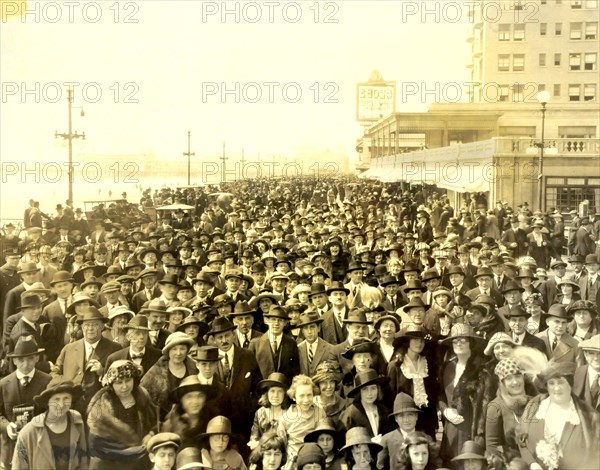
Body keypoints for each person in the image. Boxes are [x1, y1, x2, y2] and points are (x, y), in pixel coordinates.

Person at [517, 361, 600, 470]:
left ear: (570, 385)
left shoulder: (589, 416)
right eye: (551, 383)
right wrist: (532, 462)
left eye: (561, 382)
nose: (556, 388)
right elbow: (521, 437)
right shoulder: (535, 405)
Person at [438, 324, 493, 466]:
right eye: (455, 341)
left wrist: (480, 435)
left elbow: (485, 405)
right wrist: (445, 410)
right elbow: (440, 395)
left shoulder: (481, 369)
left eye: (463, 340)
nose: (458, 344)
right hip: (450, 428)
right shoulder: (447, 366)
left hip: (471, 429)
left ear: (471, 342)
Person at [87, 360, 156, 470]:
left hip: (141, 463)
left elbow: (156, 421)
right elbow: (97, 444)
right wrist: (135, 451)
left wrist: (151, 434)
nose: (124, 386)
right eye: (119, 382)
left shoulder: (142, 397)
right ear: (111, 384)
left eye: (128, 380)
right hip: (110, 464)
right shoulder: (102, 405)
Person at [12, 379, 87, 470]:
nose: (61, 404)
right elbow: (18, 466)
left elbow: (83, 460)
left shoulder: (77, 423)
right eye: (56, 399)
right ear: (48, 402)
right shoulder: (28, 433)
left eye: (66, 398)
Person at [1, 337, 52, 470]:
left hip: (39, 444)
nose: (26, 364)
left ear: (37, 358)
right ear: (14, 360)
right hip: (11, 446)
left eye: (30, 358)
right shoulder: (3, 384)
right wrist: (6, 426)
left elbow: (52, 412)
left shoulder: (47, 381)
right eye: (21, 360)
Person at [387, 326, 439, 439]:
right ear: (407, 342)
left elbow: (433, 392)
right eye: (415, 340)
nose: (419, 343)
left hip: (426, 417)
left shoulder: (428, 363)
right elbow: (390, 396)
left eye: (422, 340)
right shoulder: (395, 366)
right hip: (406, 418)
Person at [140, 331, 198, 419]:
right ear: (168, 351)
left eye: (182, 348)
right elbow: (144, 397)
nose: (178, 353)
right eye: (174, 349)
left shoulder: (195, 368)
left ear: (187, 350)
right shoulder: (156, 372)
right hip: (163, 421)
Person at [485, 359, 531, 463]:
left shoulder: (534, 402)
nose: (515, 382)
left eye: (518, 376)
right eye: (509, 378)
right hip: (511, 463)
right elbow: (492, 445)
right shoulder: (495, 406)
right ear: (502, 383)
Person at [277, 375, 327, 464]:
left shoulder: (319, 413)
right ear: (294, 396)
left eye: (309, 395)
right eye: (301, 396)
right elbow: (282, 446)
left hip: (315, 460)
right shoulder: (285, 419)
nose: (306, 400)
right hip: (294, 461)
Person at [162, 375, 217, 448]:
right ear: (181, 400)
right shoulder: (170, 425)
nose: (195, 401)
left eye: (200, 396)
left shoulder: (214, 423)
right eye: (189, 397)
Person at [340, 369, 392, 439]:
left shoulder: (383, 410)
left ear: (378, 389)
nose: (369, 393)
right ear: (359, 392)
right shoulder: (351, 413)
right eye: (365, 389)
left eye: (373, 388)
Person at [376, 393, 421, 470]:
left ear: (416, 416)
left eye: (410, 415)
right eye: (401, 416)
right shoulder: (386, 440)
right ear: (396, 418)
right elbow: (381, 467)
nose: (406, 420)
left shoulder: (424, 438)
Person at [250, 373, 290, 449]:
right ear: (267, 393)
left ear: (285, 394)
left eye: (280, 391)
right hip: (263, 452)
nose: (275, 395)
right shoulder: (260, 413)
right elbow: (254, 437)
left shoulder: (290, 413)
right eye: (272, 391)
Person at [573, 334, 600, 411]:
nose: (596, 358)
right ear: (585, 355)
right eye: (591, 353)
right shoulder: (573, 375)